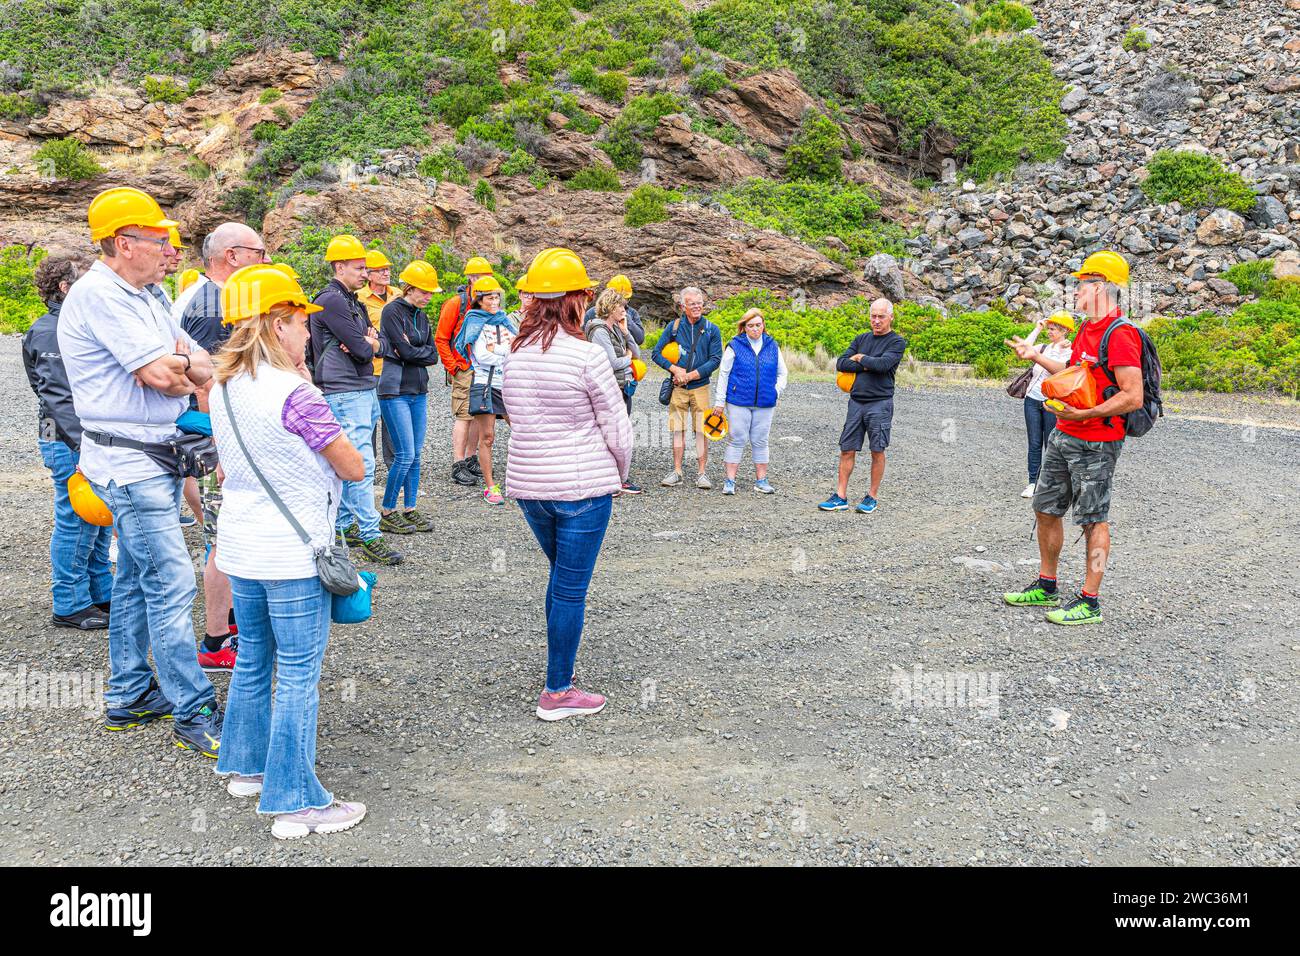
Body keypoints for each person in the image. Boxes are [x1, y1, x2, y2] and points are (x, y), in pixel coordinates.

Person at [58, 186, 222, 754]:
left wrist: (179, 368)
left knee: (134, 576)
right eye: (157, 240)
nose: (167, 249)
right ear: (125, 244)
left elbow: (193, 365)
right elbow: (163, 376)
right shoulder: (101, 295)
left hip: (145, 455)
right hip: (128, 463)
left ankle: (129, 693)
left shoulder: (146, 294)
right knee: (170, 581)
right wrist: (177, 369)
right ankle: (192, 707)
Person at [208, 263, 368, 840]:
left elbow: (227, 466)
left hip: (243, 545)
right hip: (295, 550)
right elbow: (351, 465)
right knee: (300, 673)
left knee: (253, 657)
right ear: (279, 324)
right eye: (304, 323)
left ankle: (246, 767)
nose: (310, 333)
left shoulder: (221, 387)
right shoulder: (294, 392)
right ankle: (296, 798)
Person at [502, 248, 631, 721]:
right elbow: (618, 428)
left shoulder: (513, 355)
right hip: (581, 490)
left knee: (561, 579)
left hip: (531, 488)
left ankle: (562, 672)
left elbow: (514, 417)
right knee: (571, 587)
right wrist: (619, 473)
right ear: (576, 299)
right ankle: (557, 690)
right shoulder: (587, 356)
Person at [1003, 250, 1144, 626]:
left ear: (1099, 287)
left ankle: (1089, 602)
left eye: (1081, 284)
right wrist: (1035, 355)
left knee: (1093, 519)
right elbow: (1072, 372)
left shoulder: (1121, 334)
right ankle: (1046, 585)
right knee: (1046, 508)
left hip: (1097, 440)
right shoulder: (1085, 329)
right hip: (1064, 433)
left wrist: (1085, 414)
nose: (1076, 291)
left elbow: (1133, 395)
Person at [22, 253, 112, 630]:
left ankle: (100, 593)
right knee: (76, 518)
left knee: (99, 514)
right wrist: (84, 447)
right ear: (64, 288)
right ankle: (70, 603)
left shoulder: (72, 326)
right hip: (68, 439)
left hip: (80, 437)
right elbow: (57, 396)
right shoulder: (49, 331)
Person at [309, 234, 402, 566]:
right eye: (360, 268)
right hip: (345, 390)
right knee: (361, 463)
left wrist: (370, 343)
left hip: (360, 388)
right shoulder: (333, 301)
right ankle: (370, 534)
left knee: (357, 460)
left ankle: (347, 525)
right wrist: (368, 343)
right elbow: (365, 348)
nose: (366, 273)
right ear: (340, 267)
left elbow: (380, 344)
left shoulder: (352, 301)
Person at [820, 298, 907, 514]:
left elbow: (884, 364)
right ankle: (840, 496)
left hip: (880, 403)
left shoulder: (896, 342)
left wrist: (861, 360)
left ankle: (872, 497)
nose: (876, 321)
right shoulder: (861, 339)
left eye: (881, 316)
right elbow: (841, 363)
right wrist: (868, 362)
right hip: (856, 403)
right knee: (846, 448)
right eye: (873, 316)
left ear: (891, 317)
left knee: (877, 450)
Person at [377, 260, 442, 534]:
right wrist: (414, 351)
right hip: (394, 389)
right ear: (411, 288)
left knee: (415, 454)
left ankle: (410, 508)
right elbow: (405, 351)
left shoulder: (422, 315)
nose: (429, 297)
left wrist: (413, 351)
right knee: (403, 454)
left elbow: (432, 353)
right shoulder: (391, 311)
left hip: (419, 389)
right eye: (425, 292)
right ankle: (388, 510)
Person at [651, 286, 722, 489]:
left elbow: (715, 360)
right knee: (678, 430)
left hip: (700, 387)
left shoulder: (712, 329)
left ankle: (702, 474)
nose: (697, 307)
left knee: (701, 430)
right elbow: (656, 354)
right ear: (683, 306)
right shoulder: (673, 327)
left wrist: (689, 375)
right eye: (693, 304)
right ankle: (677, 471)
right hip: (678, 389)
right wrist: (675, 370)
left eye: (700, 303)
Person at [453, 276, 516, 505]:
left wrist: (497, 349)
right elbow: (481, 355)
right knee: (487, 437)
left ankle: (523, 478)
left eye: (497, 295)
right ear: (479, 300)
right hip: (485, 384)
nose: (495, 300)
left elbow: (515, 348)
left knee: (521, 430)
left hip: (506, 384)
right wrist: (504, 352)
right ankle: (491, 486)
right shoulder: (474, 321)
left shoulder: (504, 322)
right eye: (489, 296)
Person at [711, 308, 788, 495]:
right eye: (751, 325)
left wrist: (775, 392)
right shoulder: (735, 345)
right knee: (737, 439)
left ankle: (761, 480)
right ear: (744, 327)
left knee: (761, 440)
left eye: (758, 325)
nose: (755, 329)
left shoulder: (772, 345)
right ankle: (730, 481)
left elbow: (782, 373)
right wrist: (720, 402)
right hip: (738, 401)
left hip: (765, 402)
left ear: (763, 326)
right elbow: (724, 374)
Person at [435, 256, 495, 485]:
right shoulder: (455, 304)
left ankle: (471, 459)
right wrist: (454, 367)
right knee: (463, 416)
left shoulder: (489, 304)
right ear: (470, 278)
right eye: (480, 277)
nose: (484, 281)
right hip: (465, 368)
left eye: (488, 277)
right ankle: (458, 463)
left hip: (483, 369)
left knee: (478, 416)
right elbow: (441, 338)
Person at [586, 288, 642, 495]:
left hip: (622, 387)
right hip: (611, 388)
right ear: (610, 307)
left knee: (619, 433)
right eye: (621, 306)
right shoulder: (599, 331)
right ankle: (612, 480)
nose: (624, 310)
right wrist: (628, 358)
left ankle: (616, 478)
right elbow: (612, 362)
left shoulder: (615, 329)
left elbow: (637, 351)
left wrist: (626, 332)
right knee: (612, 434)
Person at [181, 222, 269, 354]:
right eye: (260, 252)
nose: (267, 260)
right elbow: (211, 372)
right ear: (232, 256)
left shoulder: (219, 299)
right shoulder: (215, 311)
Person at [1018, 311, 1075, 499]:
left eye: (1053, 329)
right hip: (1032, 400)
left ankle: (1050, 482)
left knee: (1051, 443)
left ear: (1065, 330)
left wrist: (1055, 351)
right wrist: (1037, 328)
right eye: (1048, 328)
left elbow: (1059, 371)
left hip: (1053, 403)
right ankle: (1033, 482)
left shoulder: (1070, 352)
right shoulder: (1042, 348)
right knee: (1034, 443)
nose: (1049, 332)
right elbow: (1023, 350)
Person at [583, 274, 645, 346]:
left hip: (625, 354)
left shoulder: (632, 313)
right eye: (618, 300)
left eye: (626, 299)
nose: (623, 303)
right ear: (609, 296)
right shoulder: (592, 313)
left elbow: (640, 339)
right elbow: (583, 340)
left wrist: (627, 319)